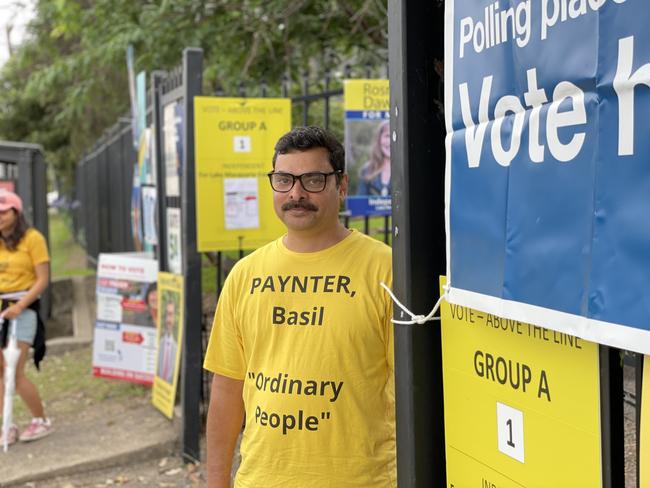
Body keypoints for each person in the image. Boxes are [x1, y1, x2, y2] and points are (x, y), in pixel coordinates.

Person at [204, 126, 395, 487]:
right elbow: (227, 389)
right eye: (284, 179)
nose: (296, 193)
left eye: (313, 179)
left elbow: (414, 392)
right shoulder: (245, 275)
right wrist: (216, 481)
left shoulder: (384, 269)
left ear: (341, 186)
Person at [0, 190, 52, 445]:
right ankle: (6, 424)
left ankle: (41, 419)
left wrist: (20, 306)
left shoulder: (33, 239)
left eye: (3, 211)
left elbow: (42, 279)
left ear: (16, 212)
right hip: (1, 309)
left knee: (14, 370)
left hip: (23, 309)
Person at [357, 120, 391, 196]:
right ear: (379, 139)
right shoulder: (367, 170)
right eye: (387, 136)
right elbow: (361, 203)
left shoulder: (407, 169)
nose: (391, 141)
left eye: (395, 136)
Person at [157, 298, 178, 384]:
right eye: (166, 315)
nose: (168, 320)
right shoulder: (158, 343)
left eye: (171, 315)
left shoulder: (177, 347)